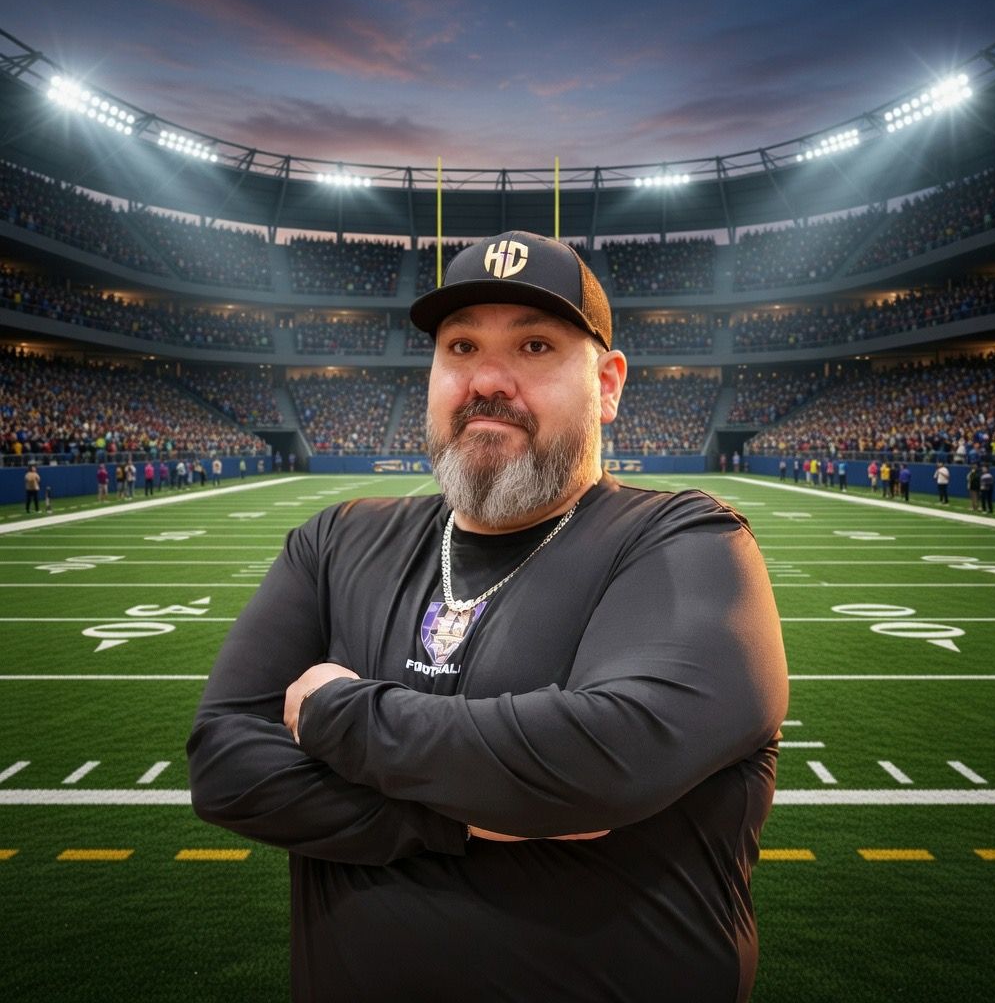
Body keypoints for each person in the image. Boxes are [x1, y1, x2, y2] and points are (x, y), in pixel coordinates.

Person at [187, 231, 789, 1003]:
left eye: (535, 346)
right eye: (461, 347)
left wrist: (336, 712)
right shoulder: (335, 541)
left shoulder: (690, 541)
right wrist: (455, 821)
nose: (489, 380)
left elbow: (607, 758)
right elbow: (227, 768)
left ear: (607, 384)